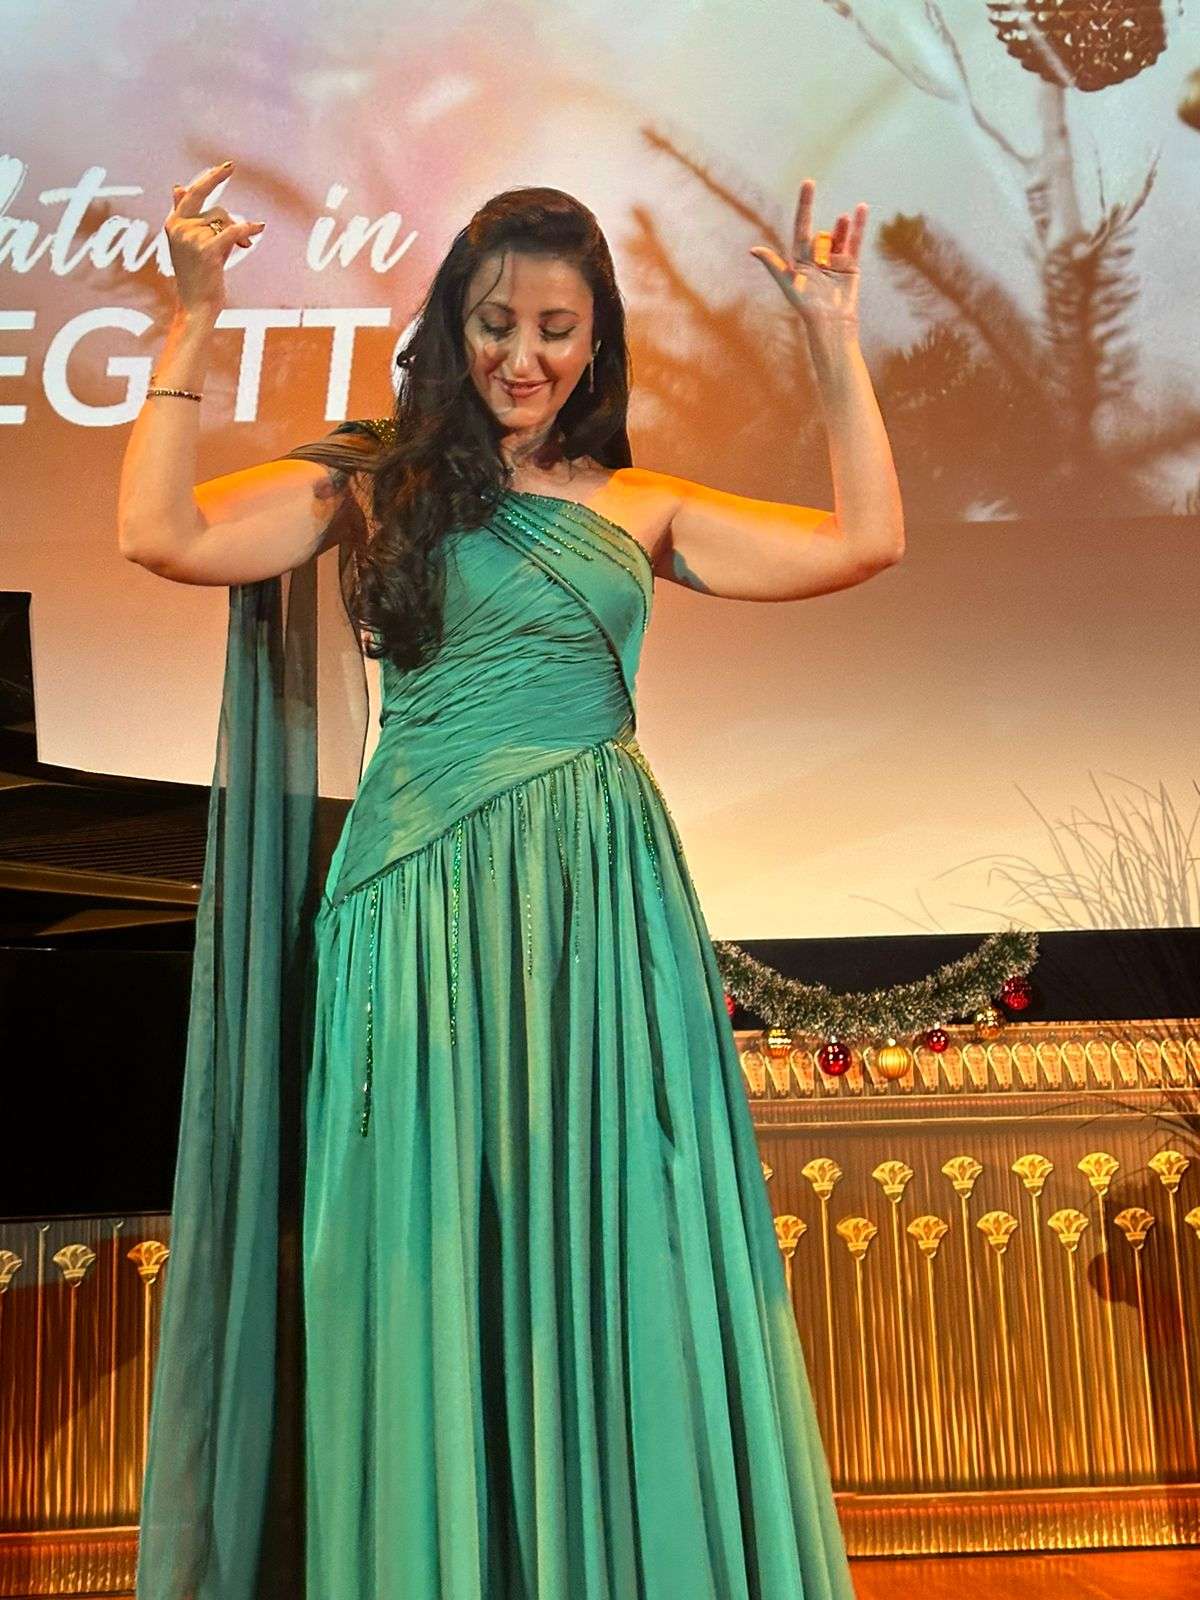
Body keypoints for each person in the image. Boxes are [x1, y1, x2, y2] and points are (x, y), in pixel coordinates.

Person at [119, 163, 902, 1600]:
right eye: (494, 325)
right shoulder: (374, 487)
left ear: (596, 342)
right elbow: (161, 535)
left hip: (603, 919)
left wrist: (832, 337)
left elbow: (865, 542)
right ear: (451, 327)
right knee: (422, 1257)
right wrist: (192, 318)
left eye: (555, 328)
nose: (522, 358)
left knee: (624, 1249)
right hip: (413, 920)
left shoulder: (642, 505)